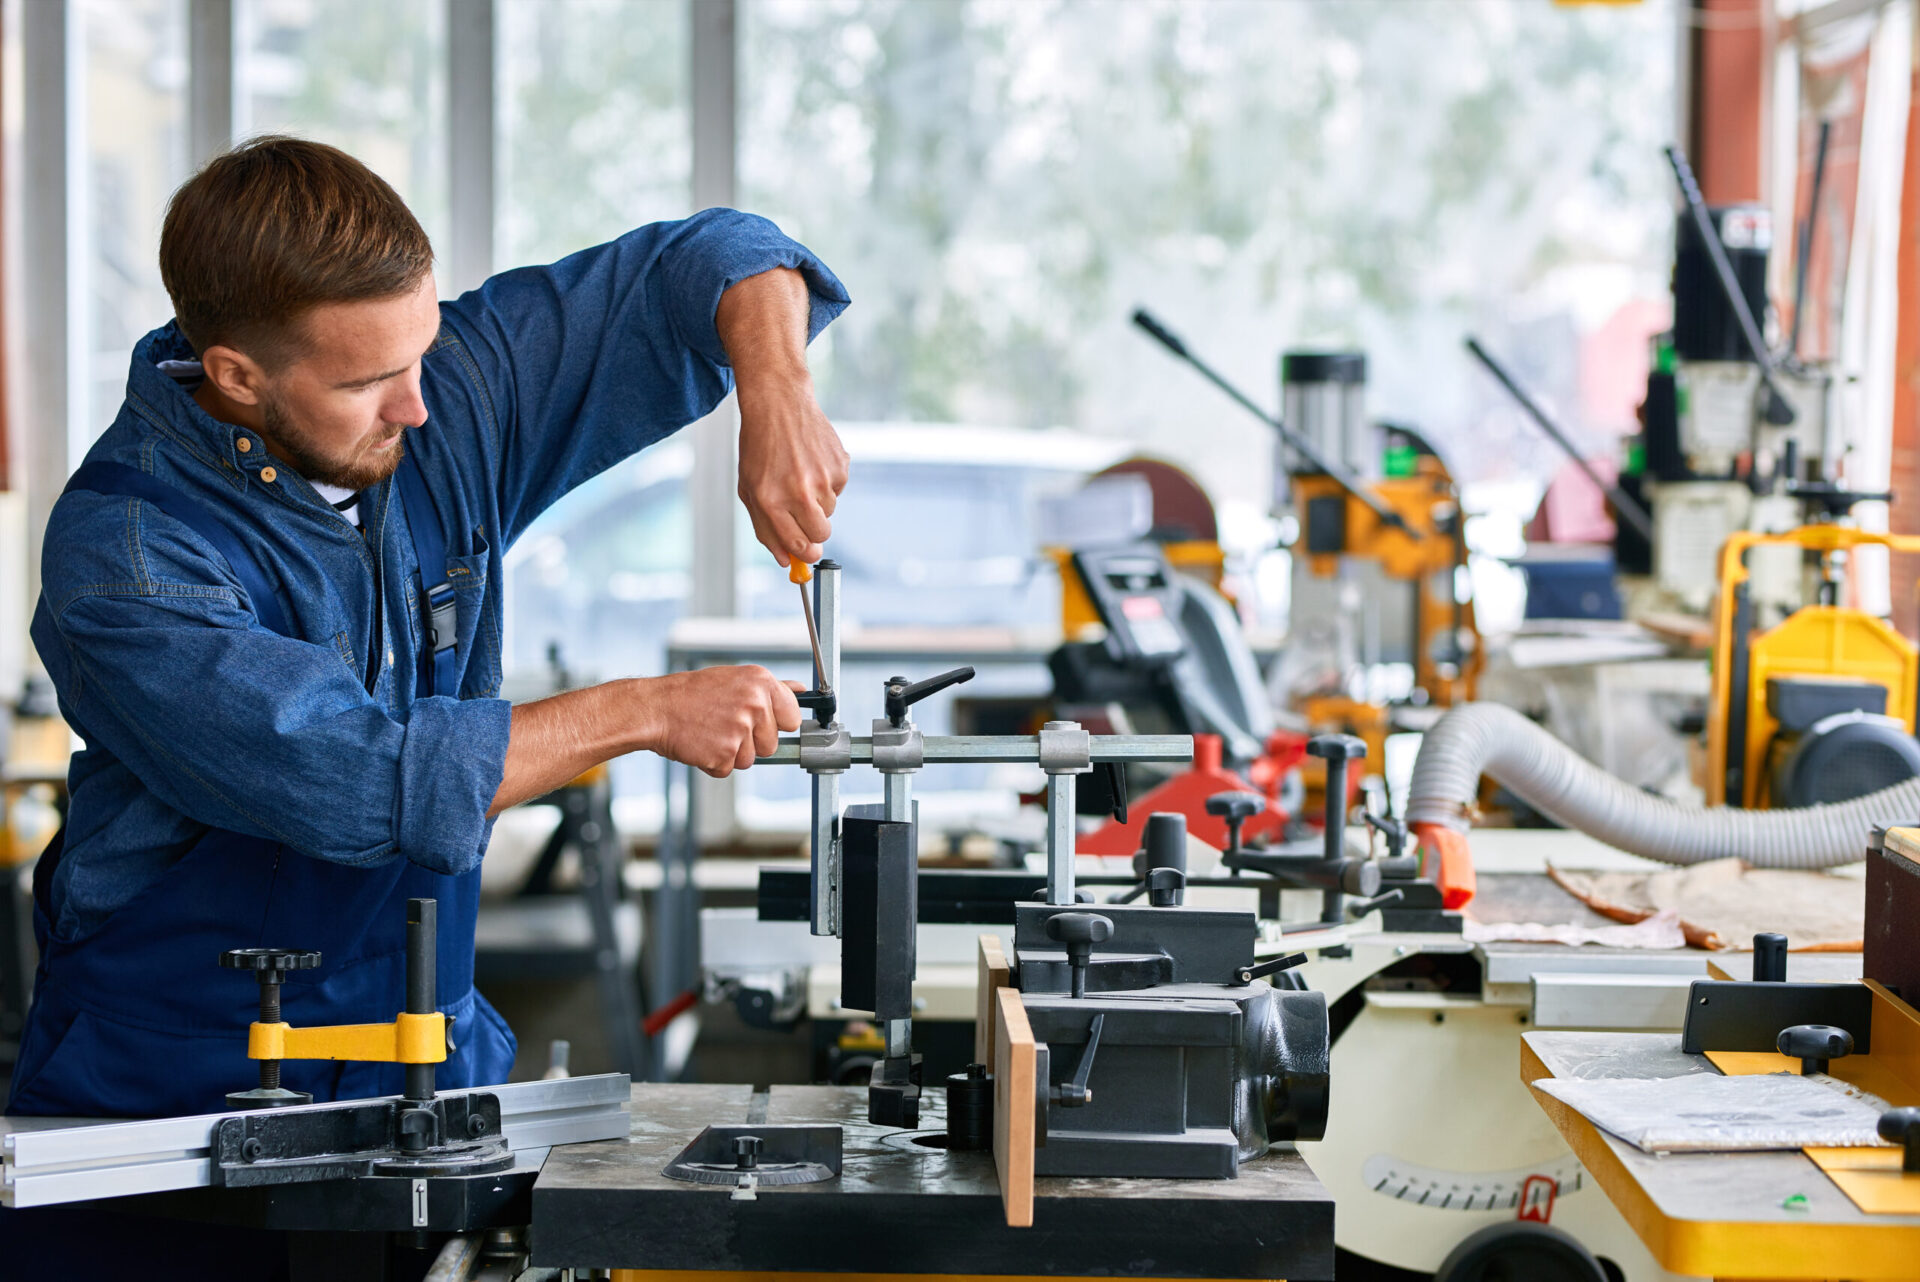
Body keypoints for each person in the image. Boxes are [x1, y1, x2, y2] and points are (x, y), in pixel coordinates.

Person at [8, 135, 850, 1122]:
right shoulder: (128, 553)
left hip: (422, 1058)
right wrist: (645, 711)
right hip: (174, 1085)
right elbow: (362, 780)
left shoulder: (442, 395)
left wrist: (778, 393)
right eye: (367, 381)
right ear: (236, 377)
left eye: (421, 351)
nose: (419, 406)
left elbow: (718, 256)